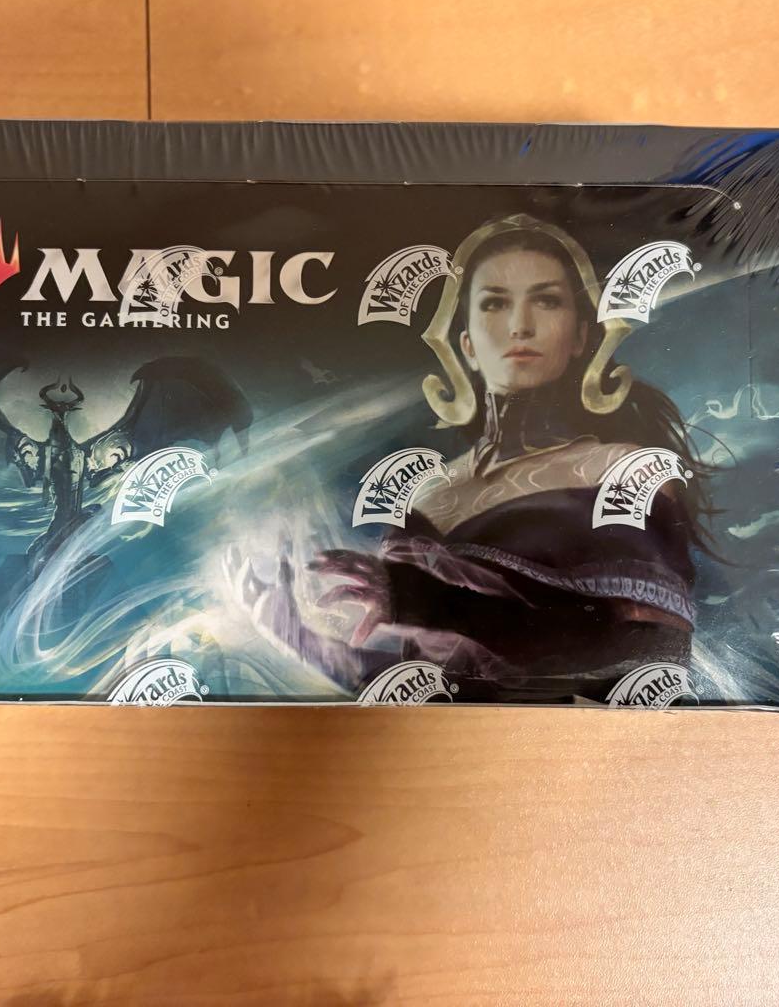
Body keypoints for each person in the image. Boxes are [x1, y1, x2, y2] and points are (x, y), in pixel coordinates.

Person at [226, 214, 715, 703]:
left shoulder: (623, 471)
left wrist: (421, 600)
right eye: (494, 303)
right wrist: (294, 632)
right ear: (466, 344)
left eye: (546, 300)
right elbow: (428, 684)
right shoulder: (429, 494)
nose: (520, 326)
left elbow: (648, 656)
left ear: (581, 337)